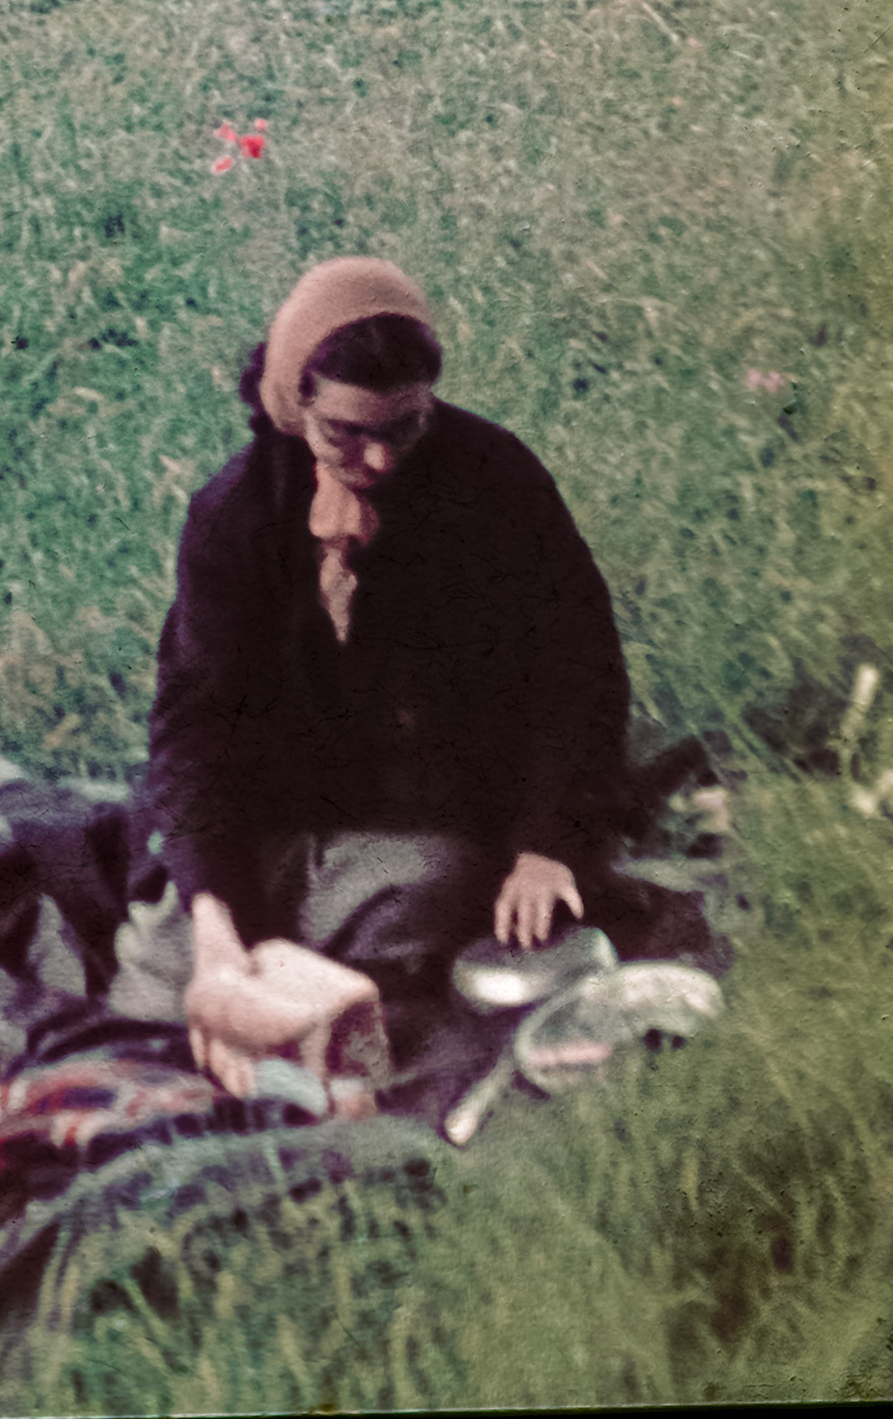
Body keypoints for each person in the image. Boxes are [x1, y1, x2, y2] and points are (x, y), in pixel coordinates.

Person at [115, 255, 631, 1099]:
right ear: (294, 405)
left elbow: (578, 669)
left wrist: (548, 844)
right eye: (345, 432)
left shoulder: (494, 482)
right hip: (275, 819)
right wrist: (215, 921)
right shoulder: (236, 518)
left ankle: (331, 1011)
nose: (380, 459)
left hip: (419, 813)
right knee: (162, 984)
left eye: (405, 428)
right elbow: (199, 724)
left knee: (435, 896)